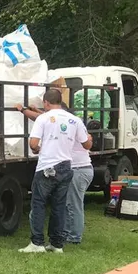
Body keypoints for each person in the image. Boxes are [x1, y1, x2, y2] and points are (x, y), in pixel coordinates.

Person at [19, 89, 92, 253]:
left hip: (47, 166)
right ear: (60, 101)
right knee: (59, 206)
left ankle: (37, 243)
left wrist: (38, 148)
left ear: (46, 102)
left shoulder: (43, 118)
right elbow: (87, 144)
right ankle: (56, 244)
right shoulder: (74, 120)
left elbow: (33, 143)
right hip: (66, 166)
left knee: (38, 204)